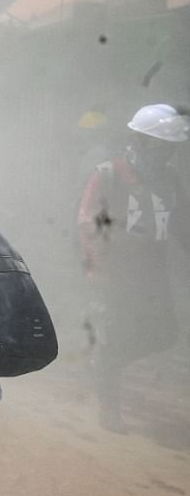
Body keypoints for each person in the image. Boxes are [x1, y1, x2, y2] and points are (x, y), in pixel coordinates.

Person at [76, 103, 190, 433]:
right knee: (116, 333)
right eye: (160, 145)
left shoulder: (168, 179)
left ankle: (106, 361)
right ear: (139, 141)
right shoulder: (109, 173)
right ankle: (109, 408)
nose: (166, 154)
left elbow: (182, 223)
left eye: (171, 147)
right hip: (116, 269)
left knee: (164, 332)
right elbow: (87, 221)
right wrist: (98, 267)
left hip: (153, 269)